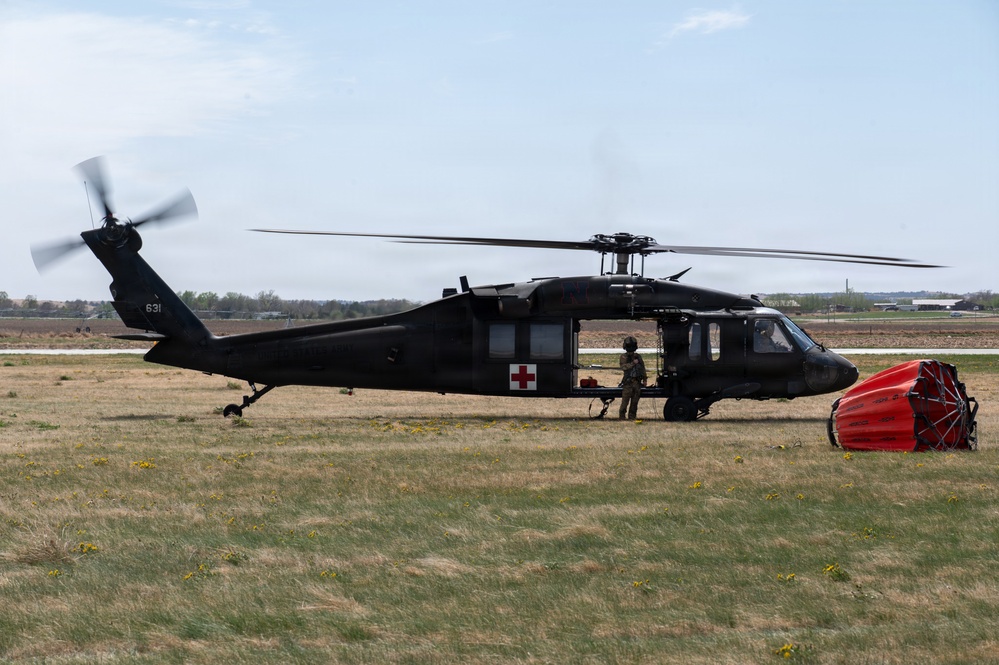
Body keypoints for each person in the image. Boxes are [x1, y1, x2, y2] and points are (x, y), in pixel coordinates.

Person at [618, 335, 647, 419]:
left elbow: (642, 368)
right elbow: (624, 367)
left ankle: (632, 417)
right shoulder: (624, 357)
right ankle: (622, 417)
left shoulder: (638, 357)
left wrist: (644, 379)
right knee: (625, 402)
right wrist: (633, 363)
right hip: (628, 383)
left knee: (634, 402)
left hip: (637, 383)